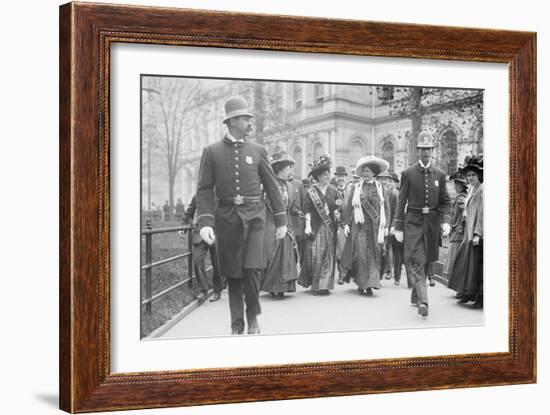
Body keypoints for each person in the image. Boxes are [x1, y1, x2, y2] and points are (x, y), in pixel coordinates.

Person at [195, 96, 287, 335]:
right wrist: (205, 221)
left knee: (253, 269)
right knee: (234, 274)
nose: (249, 123)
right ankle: (237, 325)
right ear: (233, 121)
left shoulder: (258, 151)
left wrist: (281, 220)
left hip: (255, 218)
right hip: (226, 219)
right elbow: (204, 189)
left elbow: (272, 186)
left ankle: (253, 316)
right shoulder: (211, 152)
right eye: (246, 119)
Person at [393, 131, 451, 317]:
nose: (426, 152)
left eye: (429, 149)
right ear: (417, 151)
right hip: (413, 223)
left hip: (432, 224)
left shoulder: (439, 175)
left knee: (426, 262)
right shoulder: (408, 173)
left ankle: (414, 295)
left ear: (432, 151)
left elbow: (445, 201)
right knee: (417, 261)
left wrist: (446, 221)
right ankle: (423, 302)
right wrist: (398, 226)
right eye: (422, 149)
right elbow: (401, 201)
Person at [341, 156, 390, 296]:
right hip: (360, 227)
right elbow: (349, 207)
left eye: (367, 171)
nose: (364, 174)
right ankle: (362, 284)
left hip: (375, 229)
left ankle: (371, 284)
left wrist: (386, 226)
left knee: (374, 255)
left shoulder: (381, 188)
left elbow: (386, 208)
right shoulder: (357, 189)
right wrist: (346, 224)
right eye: (363, 171)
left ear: (374, 173)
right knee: (360, 255)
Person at [298, 154, 340, 295]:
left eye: (328, 173)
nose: (328, 176)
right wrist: (308, 226)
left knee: (328, 255)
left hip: (329, 228)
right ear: (318, 177)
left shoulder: (334, 191)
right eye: (324, 174)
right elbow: (307, 210)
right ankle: (315, 285)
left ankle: (325, 285)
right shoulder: (311, 191)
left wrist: (337, 214)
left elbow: (339, 207)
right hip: (316, 226)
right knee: (315, 255)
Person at [261, 152, 299, 297]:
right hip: (272, 223)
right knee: (274, 253)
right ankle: (273, 287)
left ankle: (284, 287)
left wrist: (296, 211)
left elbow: (291, 205)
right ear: (279, 169)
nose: (290, 171)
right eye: (288, 168)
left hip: (287, 224)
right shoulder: (269, 185)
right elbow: (267, 204)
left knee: (287, 255)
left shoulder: (289, 186)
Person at [448, 156, 484, 308]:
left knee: (477, 267)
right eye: (468, 175)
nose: (470, 178)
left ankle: (480, 297)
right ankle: (466, 293)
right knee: (465, 263)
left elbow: (482, 213)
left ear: (479, 176)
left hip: (476, 233)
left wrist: (477, 233)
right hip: (468, 231)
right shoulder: (471, 191)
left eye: (473, 175)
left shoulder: (481, 191)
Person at [181, 194, 224, 302]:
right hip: (199, 233)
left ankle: (217, 290)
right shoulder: (198, 195)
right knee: (197, 261)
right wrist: (183, 227)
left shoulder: (222, 194)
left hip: (217, 233)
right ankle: (203, 290)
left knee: (217, 264)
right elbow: (189, 212)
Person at [443, 170, 468, 290]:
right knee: (454, 259)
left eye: (456, 184)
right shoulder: (460, 197)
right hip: (456, 231)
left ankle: (459, 286)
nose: (455, 186)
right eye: (455, 183)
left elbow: (465, 214)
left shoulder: (461, 198)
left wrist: (456, 225)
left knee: (456, 259)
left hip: (459, 232)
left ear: (461, 185)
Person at [376, 171, 395, 281]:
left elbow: (395, 211)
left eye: (385, 179)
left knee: (387, 249)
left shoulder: (392, 193)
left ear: (388, 181)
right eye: (381, 179)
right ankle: (378, 271)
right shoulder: (376, 190)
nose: (383, 181)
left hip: (387, 224)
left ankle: (388, 270)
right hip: (377, 224)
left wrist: (391, 225)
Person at [333, 166, 349, 284]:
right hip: (338, 224)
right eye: (338, 176)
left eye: (342, 176)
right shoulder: (332, 190)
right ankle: (342, 274)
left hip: (349, 224)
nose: (341, 178)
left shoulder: (350, 190)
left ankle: (348, 273)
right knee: (340, 250)